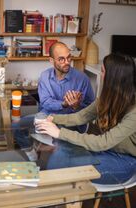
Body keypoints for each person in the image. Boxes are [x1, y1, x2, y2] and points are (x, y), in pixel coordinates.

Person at [35, 53, 136, 184]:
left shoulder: (134, 112)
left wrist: (59, 133)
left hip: (124, 161)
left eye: (103, 71)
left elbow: (102, 142)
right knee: (61, 153)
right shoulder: (106, 99)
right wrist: (52, 118)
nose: (101, 75)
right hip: (104, 152)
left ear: (113, 77)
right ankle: (52, 197)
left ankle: (51, 198)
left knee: (65, 164)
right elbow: (80, 117)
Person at [13, 42, 95, 151]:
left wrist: (76, 106)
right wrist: (64, 104)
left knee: (57, 141)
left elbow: (91, 109)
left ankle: (54, 158)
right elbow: (45, 102)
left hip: (70, 121)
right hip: (47, 117)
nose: (67, 62)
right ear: (51, 60)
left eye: (68, 58)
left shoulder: (82, 79)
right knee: (16, 126)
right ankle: (30, 152)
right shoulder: (45, 76)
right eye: (61, 59)